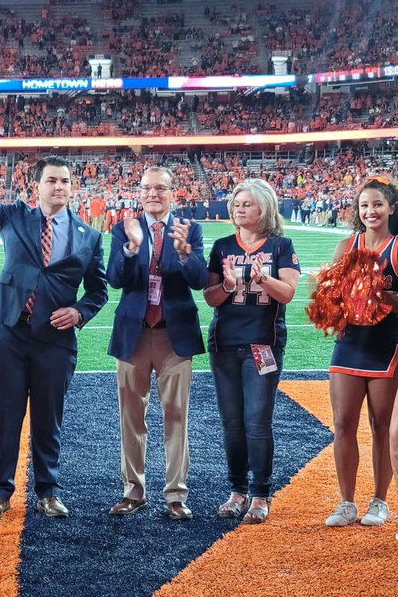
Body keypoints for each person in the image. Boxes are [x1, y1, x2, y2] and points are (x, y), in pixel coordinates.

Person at [0, 122, 108, 520]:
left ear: (73, 188)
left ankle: (48, 490)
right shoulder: (13, 217)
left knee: (48, 419)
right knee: (5, 415)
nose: (59, 187)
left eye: (65, 181)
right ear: (35, 186)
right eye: (52, 180)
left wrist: (79, 312)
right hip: (8, 329)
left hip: (55, 338)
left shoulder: (89, 237)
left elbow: (98, 291)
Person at [106, 166, 208, 521]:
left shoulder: (190, 228)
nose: (153, 194)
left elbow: (199, 280)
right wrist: (132, 248)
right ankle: (133, 491)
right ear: (139, 193)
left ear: (173, 193)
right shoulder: (124, 228)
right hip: (134, 334)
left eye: (160, 188)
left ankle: (176, 495)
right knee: (130, 417)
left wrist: (183, 252)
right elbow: (114, 279)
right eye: (147, 188)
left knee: (176, 416)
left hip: (173, 334)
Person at [203, 179, 300, 524]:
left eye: (247, 203)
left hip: (263, 343)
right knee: (232, 423)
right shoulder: (222, 245)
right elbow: (210, 298)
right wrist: (228, 285)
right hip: (225, 343)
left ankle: (260, 494)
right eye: (237, 203)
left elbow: (287, 293)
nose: (240, 209)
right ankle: (237, 490)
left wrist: (263, 279)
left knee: (257, 422)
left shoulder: (281, 245)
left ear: (265, 208)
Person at [324, 176, 398, 528]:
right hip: (349, 343)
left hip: (386, 347)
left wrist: (381, 297)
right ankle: (347, 502)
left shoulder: (396, 248)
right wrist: (335, 303)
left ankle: (380, 501)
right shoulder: (345, 246)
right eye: (364, 205)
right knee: (342, 424)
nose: (370, 211)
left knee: (381, 425)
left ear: (390, 208)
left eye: (377, 205)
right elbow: (330, 297)